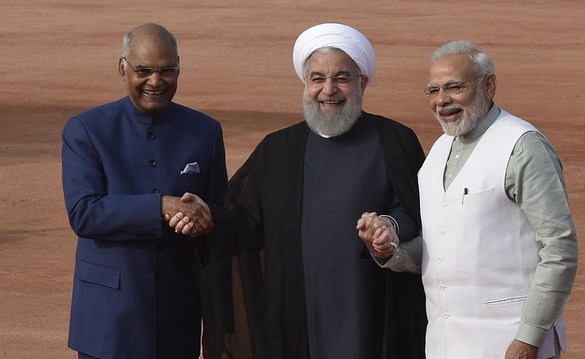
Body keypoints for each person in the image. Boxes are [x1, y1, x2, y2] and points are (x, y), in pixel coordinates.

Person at [172, 23, 427, 358]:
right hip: (295, 314)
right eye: (317, 78)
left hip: (371, 308)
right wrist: (208, 219)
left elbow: (416, 209)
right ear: (305, 83)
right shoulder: (277, 149)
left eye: (343, 78)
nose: (329, 89)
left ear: (362, 82)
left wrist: (389, 228)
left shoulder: (394, 140)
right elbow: (244, 221)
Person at [358, 40, 579, 359]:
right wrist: (390, 250)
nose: (442, 100)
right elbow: (441, 246)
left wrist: (527, 339)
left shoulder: (522, 147)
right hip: (444, 345)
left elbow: (560, 248)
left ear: (489, 86)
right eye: (432, 91)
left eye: (454, 87)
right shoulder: (437, 153)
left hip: (509, 344)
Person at [61, 23, 231, 359]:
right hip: (108, 319)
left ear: (179, 68)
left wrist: (207, 220)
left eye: (167, 70)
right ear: (122, 68)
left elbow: (219, 220)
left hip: (177, 314)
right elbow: (84, 213)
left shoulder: (205, 132)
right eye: (144, 71)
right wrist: (161, 207)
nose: (155, 81)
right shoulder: (87, 130)